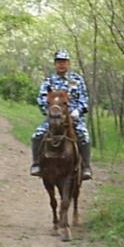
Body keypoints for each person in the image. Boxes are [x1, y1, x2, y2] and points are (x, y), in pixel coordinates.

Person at [30, 49, 92, 180]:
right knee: (37, 136)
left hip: (74, 119)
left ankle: (86, 167)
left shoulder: (77, 80)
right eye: (58, 62)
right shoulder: (49, 81)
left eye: (64, 62)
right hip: (53, 119)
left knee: (84, 137)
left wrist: (78, 111)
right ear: (55, 64)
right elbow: (41, 99)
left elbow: (84, 99)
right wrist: (48, 112)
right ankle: (36, 164)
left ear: (68, 63)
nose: (61, 64)